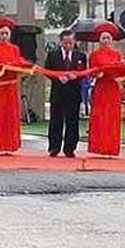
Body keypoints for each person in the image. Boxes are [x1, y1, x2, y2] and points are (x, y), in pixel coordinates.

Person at [0, 17, 28, 155]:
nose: (4, 36)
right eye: (1, 33)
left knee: (10, 115)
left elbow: (19, 65)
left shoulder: (15, 49)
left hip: (11, 87)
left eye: (6, 33)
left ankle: (10, 145)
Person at [44, 29, 87, 158]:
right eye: (65, 42)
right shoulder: (53, 55)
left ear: (74, 42)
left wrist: (76, 76)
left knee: (72, 121)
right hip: (58, 92)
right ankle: (54, 148)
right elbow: (47, 71)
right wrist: (57, 77)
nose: (68, 45)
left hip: (73, 92)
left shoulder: (80, 56)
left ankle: (70, 148)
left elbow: (84, 72)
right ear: (61, 42)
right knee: (56, 120)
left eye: (70, 42)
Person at [88, 22, 125, 157]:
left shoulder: (117, 54)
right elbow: (92, 70)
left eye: (108, 38)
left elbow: (121, 69)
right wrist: (98, 73)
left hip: (113, 87)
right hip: (101, 87)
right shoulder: (94, 54)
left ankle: (111, 147)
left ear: (112, 40)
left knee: (112, 117)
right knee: (100, 116)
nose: (106, 40)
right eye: (103, 38)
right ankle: (99, 146)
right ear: (99, 40)